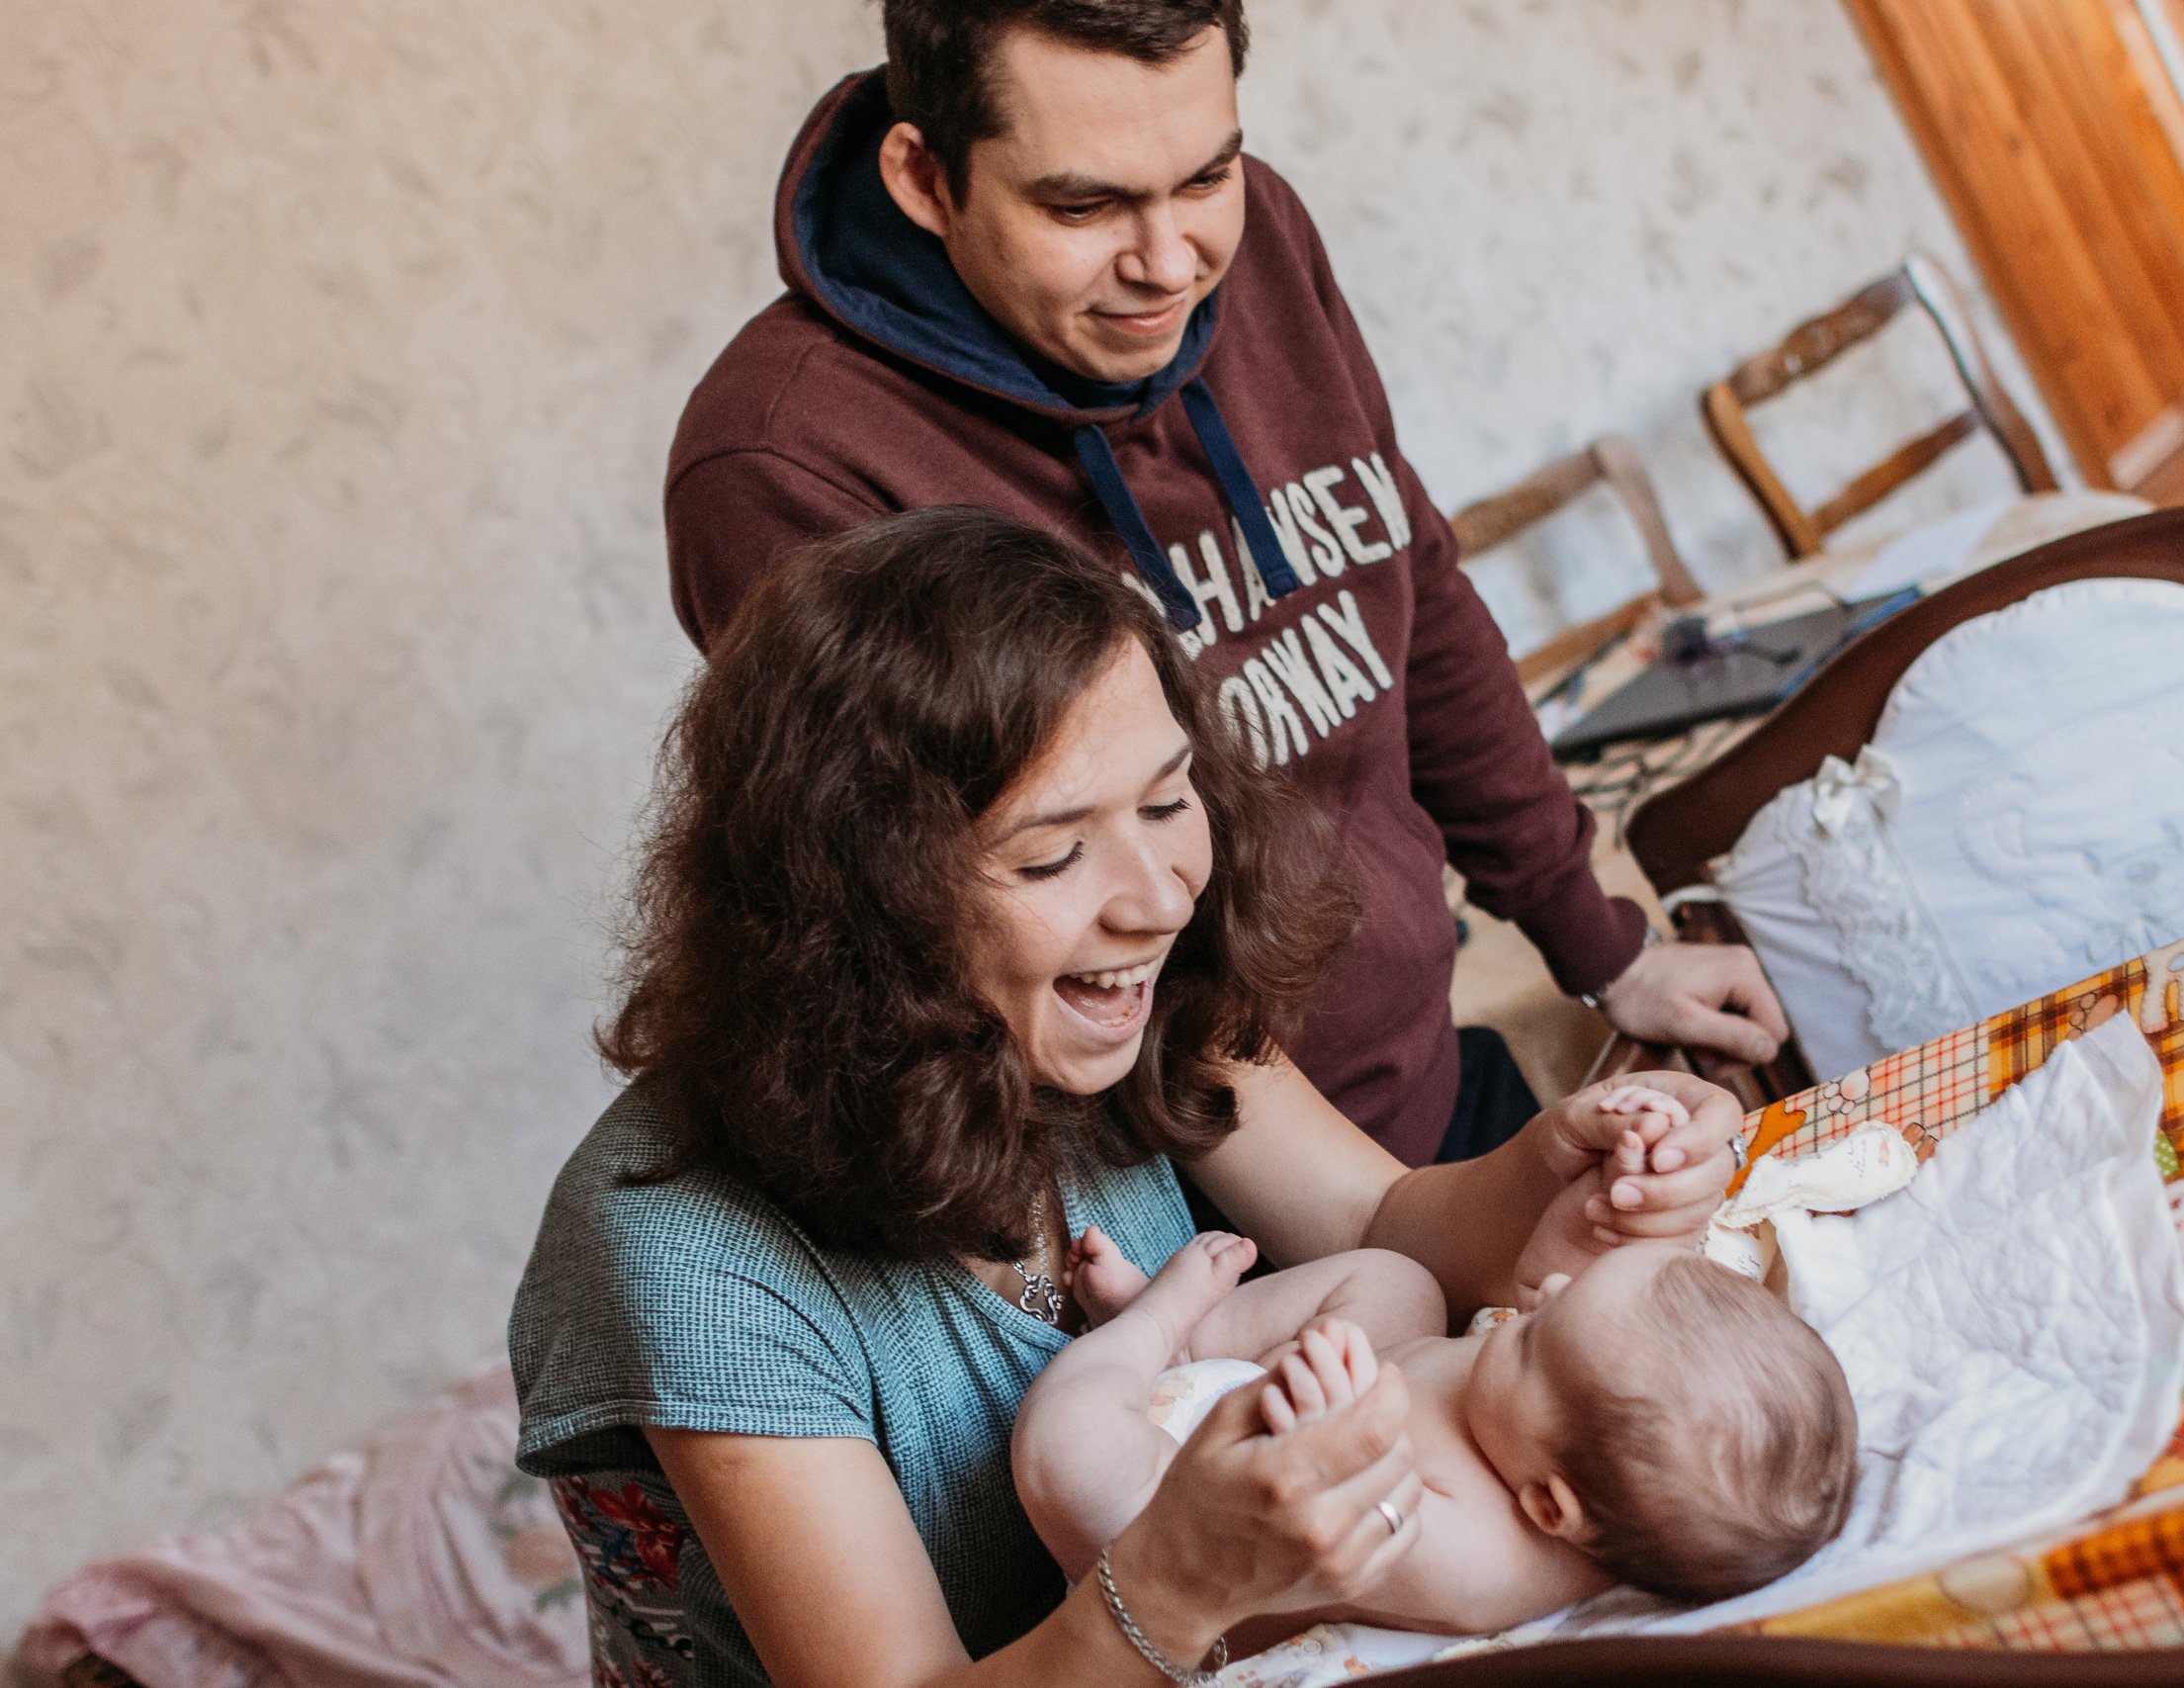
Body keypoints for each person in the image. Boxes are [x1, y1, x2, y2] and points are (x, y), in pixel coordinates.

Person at [510, 508, 1747, 1686]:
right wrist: (1173, 1586)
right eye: (1050, 855)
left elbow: (1380, 1232)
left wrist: (1571, 1171)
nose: (1157, 896)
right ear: (857, 909)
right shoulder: (682, 1251)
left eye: (1168, 801)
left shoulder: (1121, 1000)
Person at [661, 0, 1787, 1166]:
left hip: (1428, 1083)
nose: (1168, 265)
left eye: (1205, 178)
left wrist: (1603, 946)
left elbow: (1415, 600)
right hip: (1189, 1206)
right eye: (1082, 205)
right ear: (924, 177)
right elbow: (959, 939)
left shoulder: (1259, 248)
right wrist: (1379, 1225)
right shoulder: (786, 462)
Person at [1014, 1221, 1859, 1640]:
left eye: (1535, 1338)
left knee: (1073, 1461)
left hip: (1173, 1505)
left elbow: (1324, 1520)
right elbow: (1559, 1309)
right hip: (1256, 1384)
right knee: (1398, 1280)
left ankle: (1154, 1327)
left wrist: (1328, 1426)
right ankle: (1205, 1336)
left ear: (1550, 1505)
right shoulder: (1543, 1429)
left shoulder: (1495, 1563)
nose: (1545, 1289)